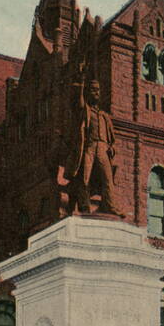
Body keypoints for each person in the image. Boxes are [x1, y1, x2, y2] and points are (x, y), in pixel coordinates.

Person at [63, 64, 124, 217]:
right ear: (87, 93)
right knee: (84, 178)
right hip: (89, 147)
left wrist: (112, 148)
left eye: (98, 90)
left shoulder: (105, 116)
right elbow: (78, 101)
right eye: (93, 90)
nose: (96, 93)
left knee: (108, 179)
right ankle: (84, 207)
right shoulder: (85, 111)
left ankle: (109, 206)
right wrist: (82, 80)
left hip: (103, 149)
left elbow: (113, 140)